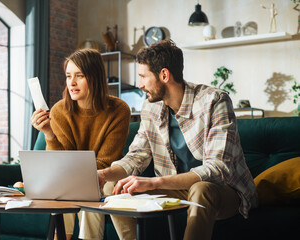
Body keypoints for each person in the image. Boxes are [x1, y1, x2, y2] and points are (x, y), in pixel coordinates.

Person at [97, 39, 258, 240]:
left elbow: (217, 169)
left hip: (225, 191)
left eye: (143, 77)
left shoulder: (214, 101)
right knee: (113, 187)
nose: (140, 85)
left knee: (201, 189)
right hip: (175, 189)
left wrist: (154, 183)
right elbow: (136, 157)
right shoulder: (150, 108)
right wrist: (104, 173)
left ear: (164, 75)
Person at [31, 48, 131, 240]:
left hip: (104, 176)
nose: (72, 83)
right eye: (68, 76)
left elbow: (107, 161)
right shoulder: (60, 110)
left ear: (95, 78)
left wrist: (76, 175)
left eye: (80, 76)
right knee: (65, 187)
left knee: (87, 190)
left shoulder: (119, 110)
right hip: (70, 179)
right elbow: (58, 164)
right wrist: (49, 135)